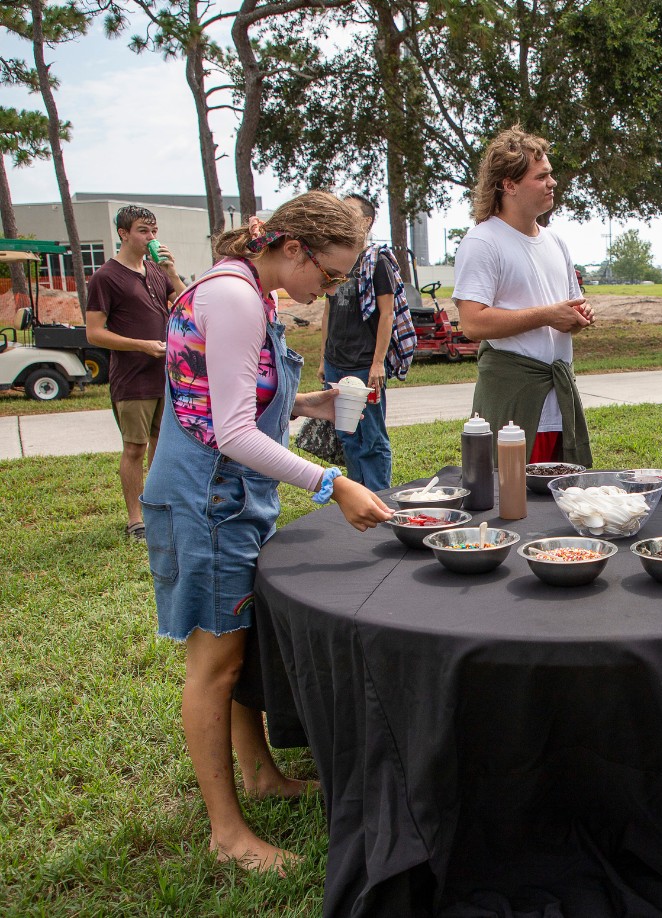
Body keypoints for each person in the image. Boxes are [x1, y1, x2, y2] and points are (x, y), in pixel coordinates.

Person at [140, 191, 394, 873]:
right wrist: (331, 483)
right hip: (206, 502)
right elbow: (229, 433)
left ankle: (257, 773)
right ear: (292, 249)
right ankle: (228, 834)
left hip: (231, 496)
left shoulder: (257, 293)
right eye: (330, 274)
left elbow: (231, 403)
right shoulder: (235, 298)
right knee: (214, 665)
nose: (329, 291)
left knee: (238, 647)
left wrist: (308, 401)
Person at [452, 125, 594, 466]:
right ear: (509, 184)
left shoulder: (556, 241)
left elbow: (565, 312)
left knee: (561, 493)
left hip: (556, 399)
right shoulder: (483, 241)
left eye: (551, 175)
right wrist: (546, 315)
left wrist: (577, 318)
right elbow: (472, 323)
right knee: (512, 497)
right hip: (513, 398)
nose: (552, 183)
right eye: (541, 176)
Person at [85, 204, 187, 541]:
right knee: (135, 448)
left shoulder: (157, 271)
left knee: (163, 444)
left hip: (165, 374)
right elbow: (94, 333)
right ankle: (135, 520)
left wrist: (171, 271)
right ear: (124, 233)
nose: (150, 237)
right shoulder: (106, 277)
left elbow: (187, 305)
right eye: (143, 231)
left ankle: (157, 506)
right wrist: (141, 345)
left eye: (154, 231)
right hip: (132, 378)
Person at [318, 193, 411, 490]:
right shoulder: (335, 261)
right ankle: (358, 494)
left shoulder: (377, 261)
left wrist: (377, 364)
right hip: (336, 363)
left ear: (367, 222)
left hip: (363, 365)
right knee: (347, 434)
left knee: (371, 437)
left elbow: (387, 315)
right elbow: (328, 309)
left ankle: (379, 497)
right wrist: (323, 358)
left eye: (349, 213)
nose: (341, 218)